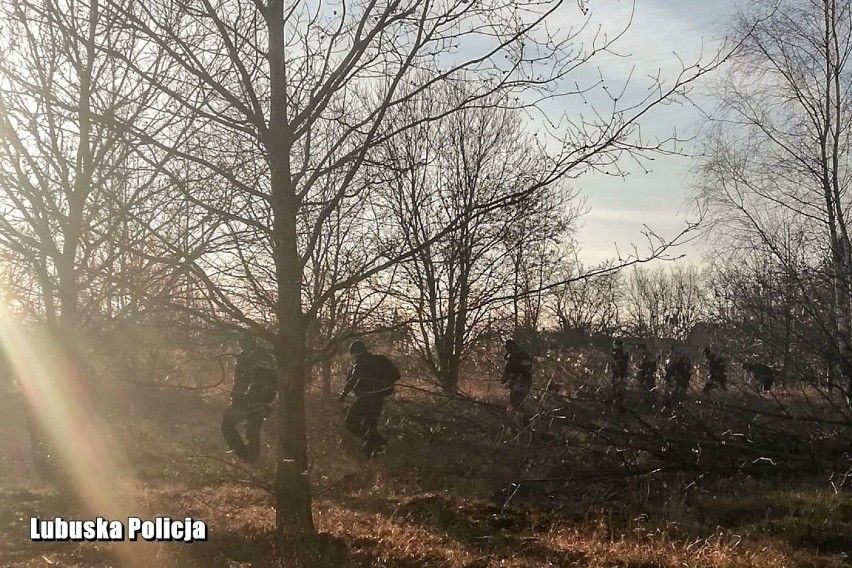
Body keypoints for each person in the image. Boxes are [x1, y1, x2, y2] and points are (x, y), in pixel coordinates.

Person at [221, 333, 276, 463]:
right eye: (241, 342)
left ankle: (249, 459)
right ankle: (246, 457)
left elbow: (245, 380)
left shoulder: (257, 356)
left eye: (243, 341)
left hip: (255, 398)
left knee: (246, 429)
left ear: (250, 341)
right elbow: (241, 380)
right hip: (253, 399)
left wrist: (237, 397)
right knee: (237, 426)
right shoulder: (250, 356)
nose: (241, 344)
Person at [340, 340, 399, 457]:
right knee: (371, 425)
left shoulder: (361, 361)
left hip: (366, 399)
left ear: (357, 352)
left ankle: (379, 442)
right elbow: (397, 375)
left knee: (350, 423)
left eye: (353, 354)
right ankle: (372, 453)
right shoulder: (378, 360)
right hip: (379, 398)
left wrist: (344, 394)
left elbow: (353, 379)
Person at [502, 339, 533, 413]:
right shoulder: (511, 355)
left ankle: (522, 415)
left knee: (519, 399)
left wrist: (518, 369)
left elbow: (528, 366)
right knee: (514, 399)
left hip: (522, 380)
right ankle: (517, 413)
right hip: (516, 380)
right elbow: (508, 369)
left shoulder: (521, 354)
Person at [610, 338, 629, 405]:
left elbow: (623, 364)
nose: (614, 346)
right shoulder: (614, 353)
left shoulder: (622, 354)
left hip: (621, 375)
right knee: (614, 389)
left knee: (620, 391)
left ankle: (621, 405)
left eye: (615, 345)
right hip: (616, 374)